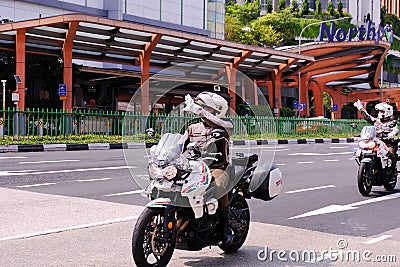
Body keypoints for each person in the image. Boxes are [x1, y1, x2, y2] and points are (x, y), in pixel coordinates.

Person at [178, 92, 234, 246]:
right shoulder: (192, 127)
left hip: (216, 168)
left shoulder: (226, 125)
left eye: (203, 107)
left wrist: (199, 111)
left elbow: (224, 127)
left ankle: (225, 227)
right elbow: (179, 144)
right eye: (199, 106)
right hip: (193, 168)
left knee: (219, 187)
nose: (199, 109)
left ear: (215, 110)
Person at [354, 99, 399, 165]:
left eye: (382, 111)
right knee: (362, 151)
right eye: (379, 112)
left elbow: (396, 130)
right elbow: (367, 117)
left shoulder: (392, 123)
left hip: (387, 143)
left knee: (391, 152)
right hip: (376, 142)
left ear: (387, 112)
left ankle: (392, 169)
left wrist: (391, 134)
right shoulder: (376, 121)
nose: (379, 113)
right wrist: (361, 109)